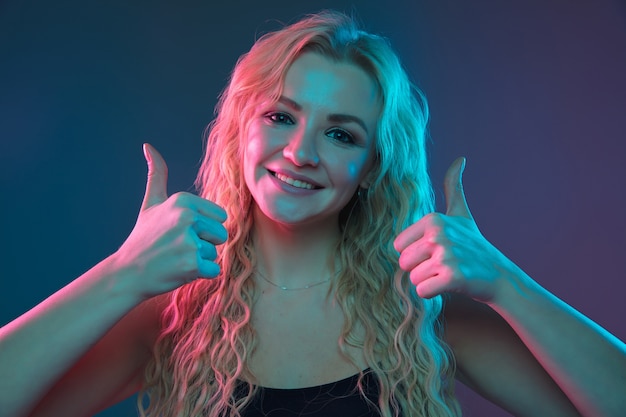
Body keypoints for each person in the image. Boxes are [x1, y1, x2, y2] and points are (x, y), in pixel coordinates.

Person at [0, 10, 624, 417]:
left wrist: (505, 284)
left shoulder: (424, 315)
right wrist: (119, 274)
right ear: (241, 128)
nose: (300, 152)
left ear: (372, 166)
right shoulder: (171, 319)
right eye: (281, 116)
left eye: (341, 135)